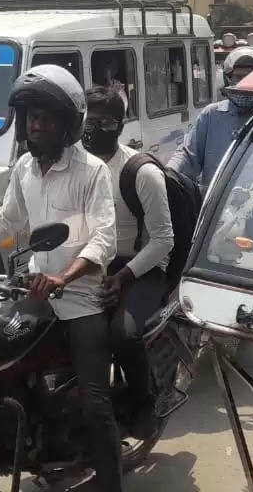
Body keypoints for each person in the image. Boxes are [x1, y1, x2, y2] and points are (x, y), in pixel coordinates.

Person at [0, 65, 123, 491]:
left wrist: (65, 276)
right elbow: (6, 222)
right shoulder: (25, 166)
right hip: (33, 293)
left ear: (67, 124)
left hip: (80, 300)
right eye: (32, 118)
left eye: (46, 118)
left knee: (97, 404)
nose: (37, 126)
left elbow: (104, 240)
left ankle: (113, 483)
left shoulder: (92, 171)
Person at [83, 85, 173, 440]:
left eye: (100, 122)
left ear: (117, 125)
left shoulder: (141, 173)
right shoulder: (77, 169)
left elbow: (164, 240)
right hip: (94, 262)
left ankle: (144, 403)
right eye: (86, 121)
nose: (90, 129)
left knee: (122, 332)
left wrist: (121, 277)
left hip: (141, 266)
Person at [169, 46, 253, 189]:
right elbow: (188, 155)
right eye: (239, 77)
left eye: (252, 77)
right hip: (216, 206)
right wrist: (168, 173)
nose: (246, 83)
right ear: (228, 79)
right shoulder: (211, 114)